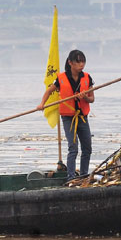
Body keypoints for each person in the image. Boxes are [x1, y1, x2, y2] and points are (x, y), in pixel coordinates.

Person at [38, 50, 94, 181]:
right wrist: (42, 104)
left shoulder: (87, 77)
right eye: (78, 62)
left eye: (83, 62)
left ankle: (84, 175)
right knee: (73, 147)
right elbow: (48, 91)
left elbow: (92, 99)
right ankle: (71, 178)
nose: (81, 65)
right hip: (68, 118)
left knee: (87, 148)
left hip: (82, 117)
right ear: (70, 63)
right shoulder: (61, 78)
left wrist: (85, 96)